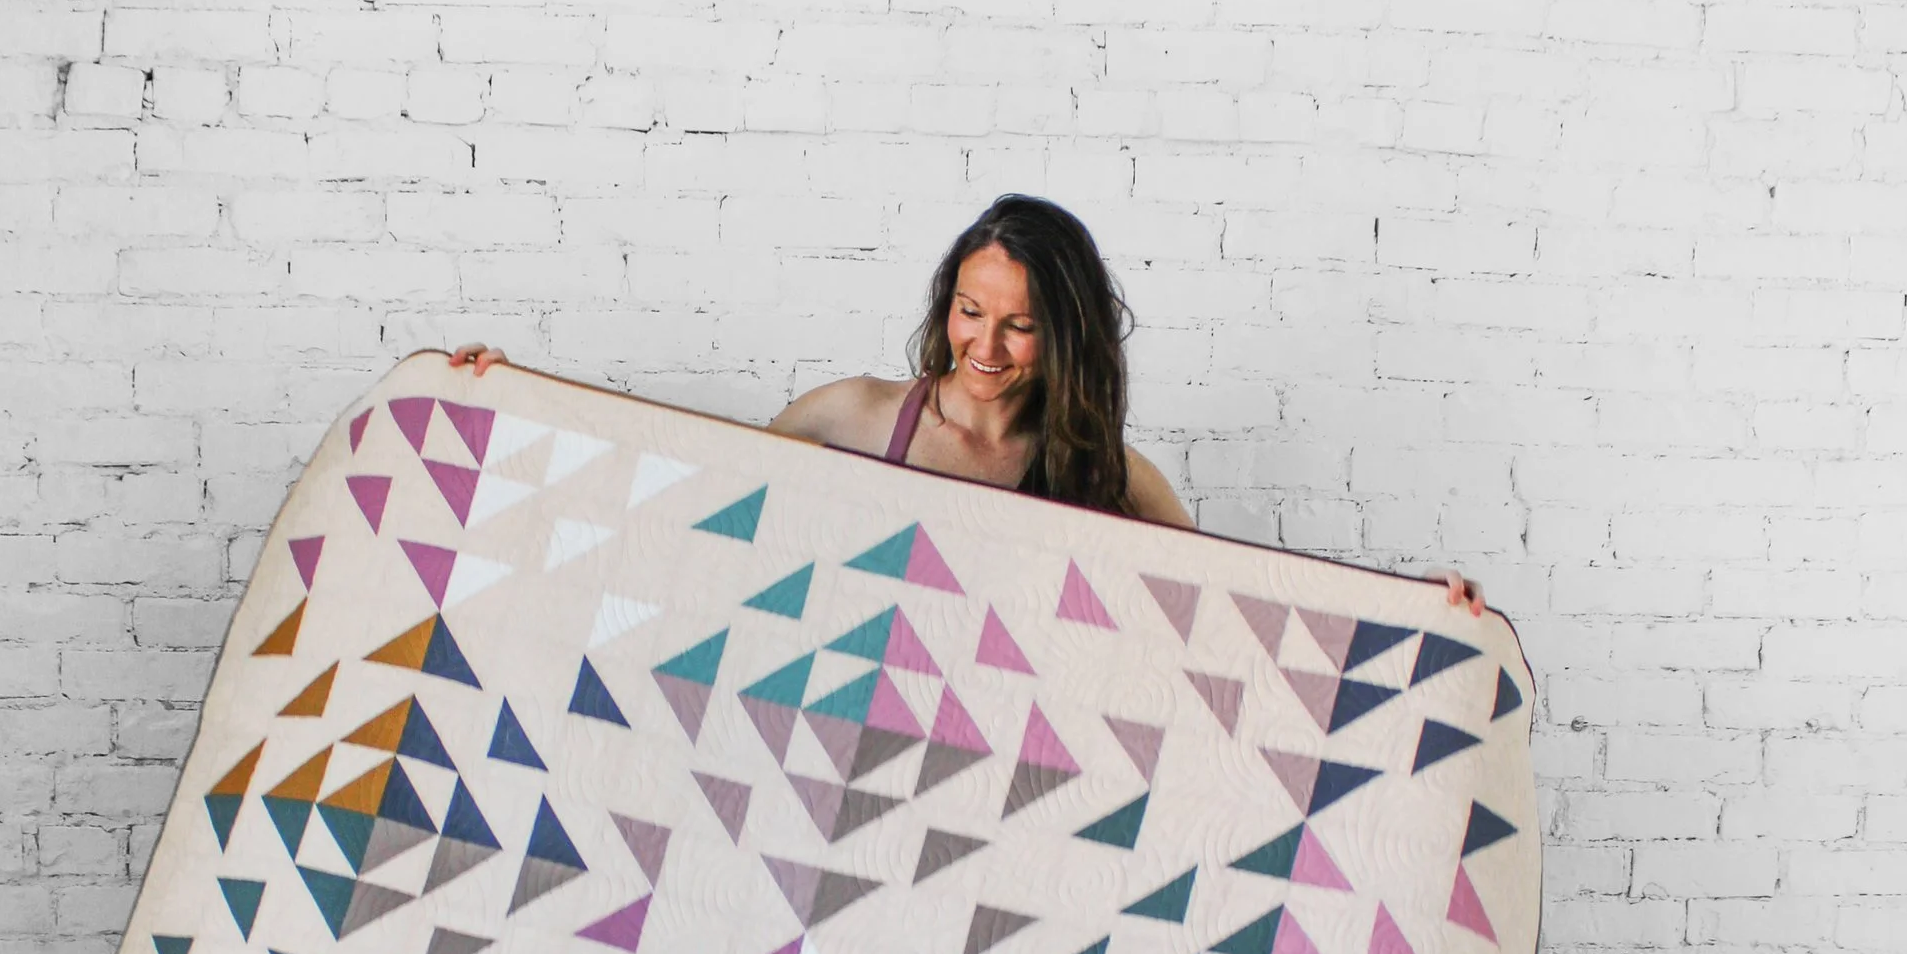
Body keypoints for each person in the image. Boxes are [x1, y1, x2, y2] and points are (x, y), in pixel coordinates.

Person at [451, 193, 1483, 612]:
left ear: (1066, 335)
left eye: (1020, 326)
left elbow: (1240, 607)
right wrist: (512, 404)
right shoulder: (852, 417)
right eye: (969, 312)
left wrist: (1416, 615)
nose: (984, 348)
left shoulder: (1108, 475)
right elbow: (681, 488)